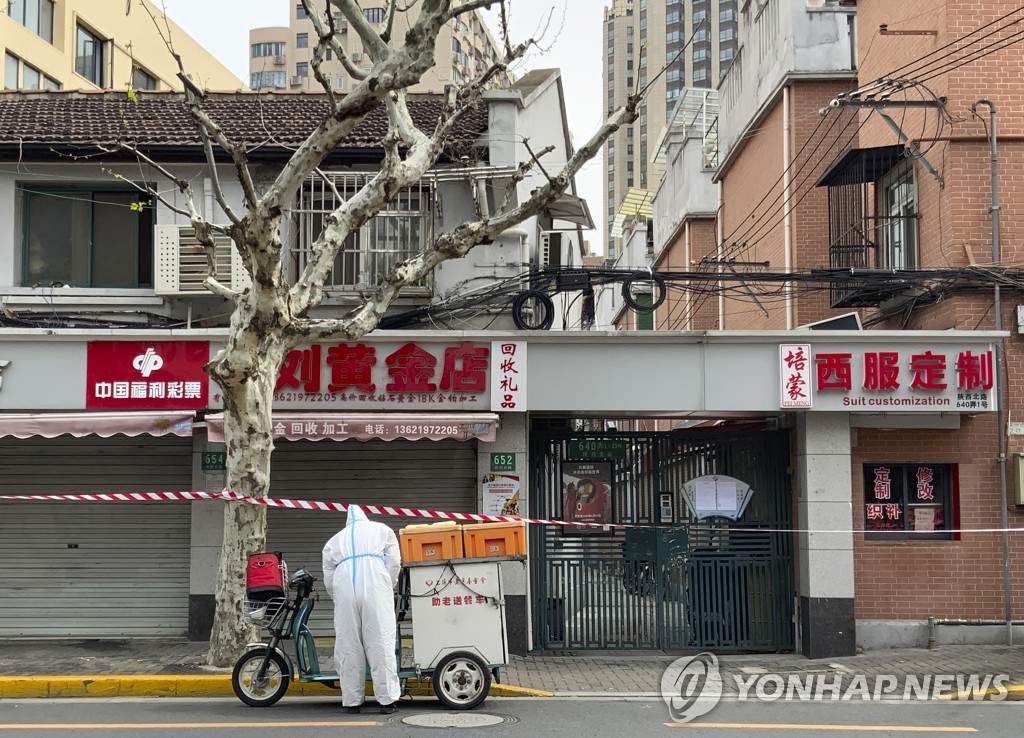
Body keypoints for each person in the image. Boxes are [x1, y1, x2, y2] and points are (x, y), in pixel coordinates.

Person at [322, 505, 402, 714]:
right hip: (375, 584)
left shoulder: (334, 540)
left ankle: (352, 701)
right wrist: (388, 584)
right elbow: (394, 561)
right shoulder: (382, 530)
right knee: (380, 642)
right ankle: (386, 701)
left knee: (349, 645)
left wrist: (338, 597)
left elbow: (329, 576)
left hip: (345, 585)